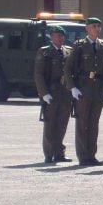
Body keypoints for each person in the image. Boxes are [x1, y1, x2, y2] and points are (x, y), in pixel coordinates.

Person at [63, 17, 103, 166]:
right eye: (94, 26)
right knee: (83, 123)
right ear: (87, 29)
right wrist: (72, 87)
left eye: (99, 26)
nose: (97, 28)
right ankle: (83, 156)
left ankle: (91, 155)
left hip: (98, 89)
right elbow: (68, 68)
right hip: (83, 88)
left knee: (94, 123)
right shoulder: (80, 46)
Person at [35, 25, 73, 163]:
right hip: (51, 92)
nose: (61, 37)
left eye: (62, 35)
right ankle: (49, 153)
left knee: (62, 124)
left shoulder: (69, 51)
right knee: (50, 124)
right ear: (52, 37)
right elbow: (39, 74)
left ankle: (59, 153)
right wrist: (44, 93)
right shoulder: (45, 52)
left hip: (65, 93)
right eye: (58, 35)